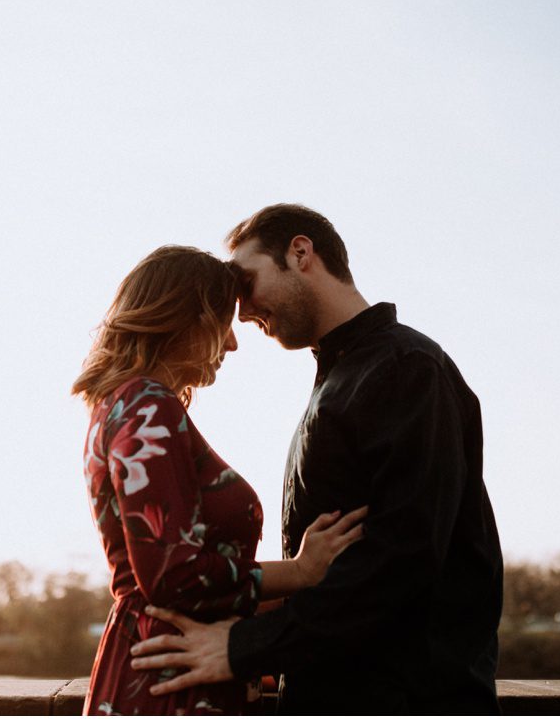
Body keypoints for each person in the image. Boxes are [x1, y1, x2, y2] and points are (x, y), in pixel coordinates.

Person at [128, 206, 504, 714]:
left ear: (300, 254)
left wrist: (243, 647)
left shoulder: (407, 369)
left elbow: (403, 561)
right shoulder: (342, 379)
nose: (239, 313)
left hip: (406, 702)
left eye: (246, 282)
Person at [72, 244, 367, 716]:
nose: (231, 343)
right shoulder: (148, 405)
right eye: (223, 322)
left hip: (172, 664)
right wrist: (301, 571)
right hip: (173, 684)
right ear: (185, 317)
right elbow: (174, 574)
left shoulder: (120, 405)